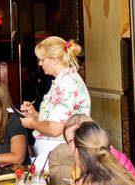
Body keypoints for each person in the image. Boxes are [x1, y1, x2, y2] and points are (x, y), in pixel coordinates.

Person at [18, 36, 90, 170]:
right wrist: (35, 115)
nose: (40, 63)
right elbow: (60, 119)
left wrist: (32, 123)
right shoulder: (64, 81)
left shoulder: (65, 84)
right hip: (56, 152)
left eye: (42, 59)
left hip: (57, 154)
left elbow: (55, 129)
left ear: (55, 60)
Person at [46, 113, 135, 185]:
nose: (75, 144)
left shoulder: (115, 160)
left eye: (78, 138)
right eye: (70, 141)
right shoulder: (78, 166)